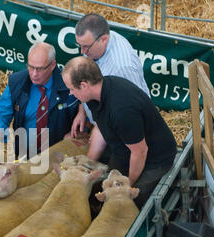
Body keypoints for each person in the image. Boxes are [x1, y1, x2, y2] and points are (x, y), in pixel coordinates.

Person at [62, 56, 177, 208]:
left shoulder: (122, 110)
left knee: (126, 202)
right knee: (99, 188)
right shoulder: (95, 95)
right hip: (123, 149)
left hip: (153, 159)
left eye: (71, 88)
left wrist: (126, 185)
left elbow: (140, 152)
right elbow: (102, 129)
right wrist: (87, 164)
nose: (70, 93)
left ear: (83, 85)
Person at [0, 42, 79, 158]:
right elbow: (3, 115)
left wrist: (73, 133)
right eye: (31, 67)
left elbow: (84, 116)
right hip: (25, 154)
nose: (34, 74)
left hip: (58, 154)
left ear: (53, 65)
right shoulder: (16, 82)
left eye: (40, 69)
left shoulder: (68, 86)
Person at [69, 13, 150, 138]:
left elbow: (132, 114)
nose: (82, 52)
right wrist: (82, 112)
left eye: (86, 47)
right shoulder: (97, 42)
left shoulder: (122, 68)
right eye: (80, 45)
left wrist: (100, 133)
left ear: (104, 39)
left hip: (120, 133)